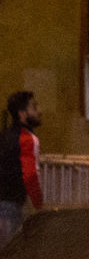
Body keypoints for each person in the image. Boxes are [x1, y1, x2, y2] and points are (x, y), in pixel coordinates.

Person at [0, 91, 43, 250]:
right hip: (10, 206)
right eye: (34, 107)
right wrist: (39, 206)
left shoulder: (4, 136)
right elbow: (30, 175)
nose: (39, 111)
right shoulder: (28, 139)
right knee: (12, 254)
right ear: (22, 113)